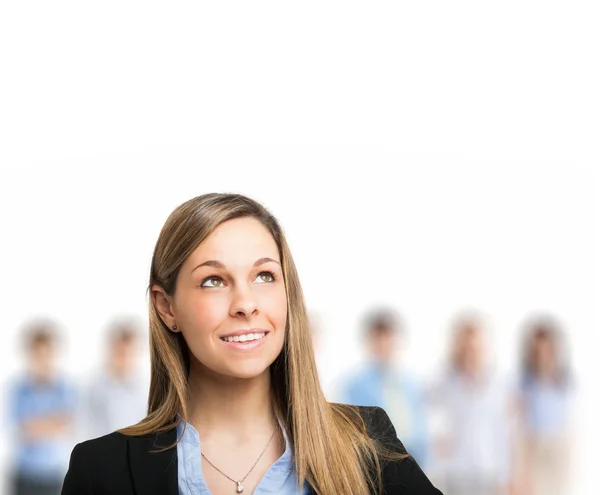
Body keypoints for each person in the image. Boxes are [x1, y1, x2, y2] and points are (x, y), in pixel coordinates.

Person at [61, 193, 441, 494]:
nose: (245, 304)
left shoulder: (366, 443)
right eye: (214, 280)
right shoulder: (100, 470)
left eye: (264, 275)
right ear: (167, 307)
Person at [428, 313, 514, 495]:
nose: (471, 352)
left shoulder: (498, 383)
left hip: (488, 469)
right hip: (456, 470)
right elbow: (429, 412)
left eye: (475, 347)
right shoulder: (445, 380)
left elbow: (503, 430)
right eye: (465, 347)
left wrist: (506, 476)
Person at [342, 308, 430, 466]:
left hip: (413, 459)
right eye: (378, 338)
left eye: (387, 337)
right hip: (378, 462)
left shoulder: (411, 382)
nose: (383, 343)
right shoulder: (356, 385)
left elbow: (421, 427)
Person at [8, 320, 77, 495]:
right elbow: (21, 429)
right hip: (24, 474)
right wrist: (51, 422)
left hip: (52, 474)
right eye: (37, 354)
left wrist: (38, 425)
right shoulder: (18, 388)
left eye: (46, 353)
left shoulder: (65, 388)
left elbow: (65, 427)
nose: (42, 359)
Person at [514, 316, 574, 495]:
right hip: (533, 445)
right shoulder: (524, 383)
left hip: (559, 446)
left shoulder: (565, 384)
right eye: (537, 351)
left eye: (546, 350)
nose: (542, 356)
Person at [81, 317, 148, 439]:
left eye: (128, 353)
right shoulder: (95, 389)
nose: (124, 359)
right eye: (120, 352)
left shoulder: (146, 389)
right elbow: (86, 428)